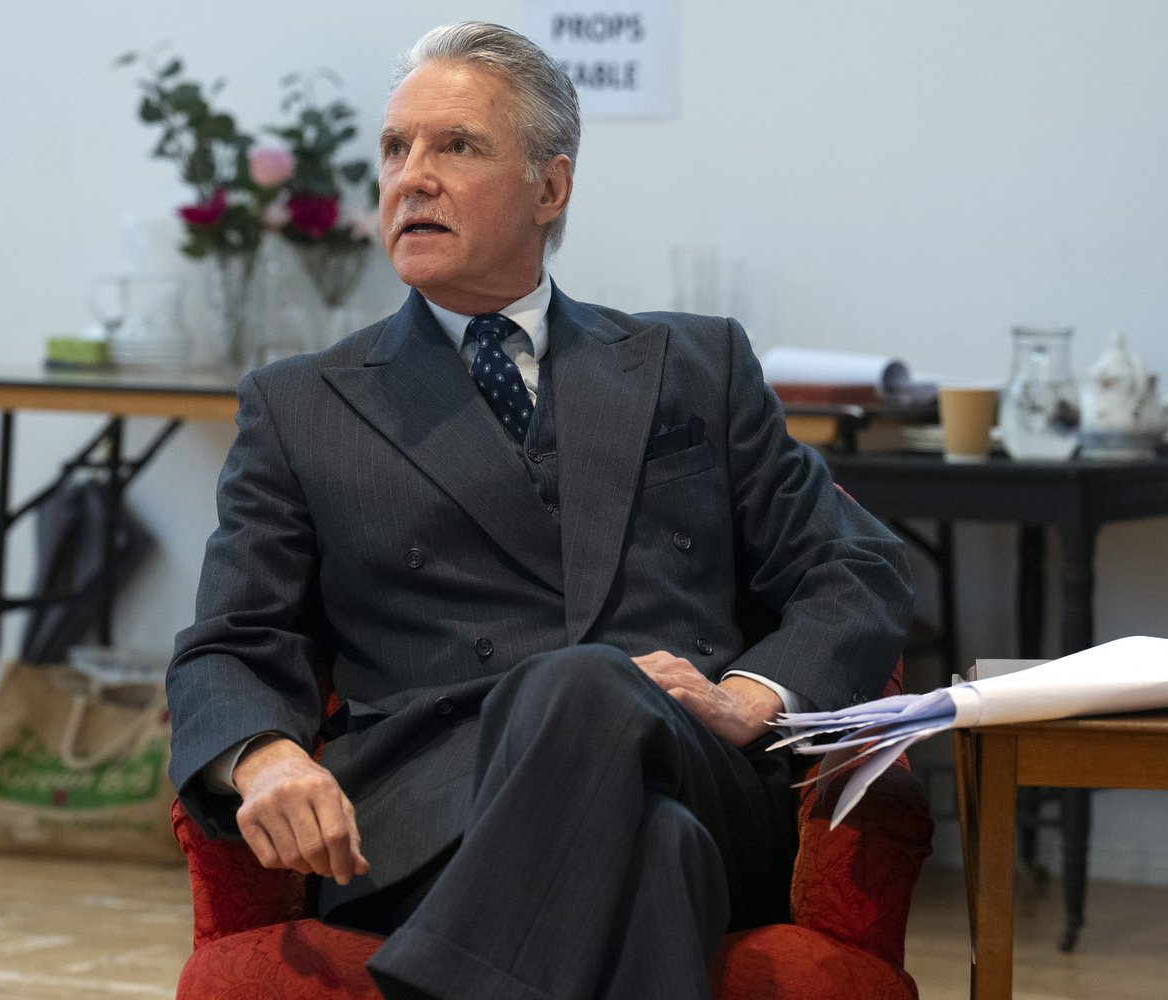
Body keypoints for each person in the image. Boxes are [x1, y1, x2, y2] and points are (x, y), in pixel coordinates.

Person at [166, 21, 915, 1000]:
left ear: (550, 188)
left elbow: (853, 567)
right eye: (395, 149)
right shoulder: (301, 404)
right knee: (659, 846)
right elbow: (230, 639)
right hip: (432, 811)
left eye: (456, 146)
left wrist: (751, 696)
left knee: (589, 689)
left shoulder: (695, 364)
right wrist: (264, 760)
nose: (411, 176)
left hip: (699, 767)